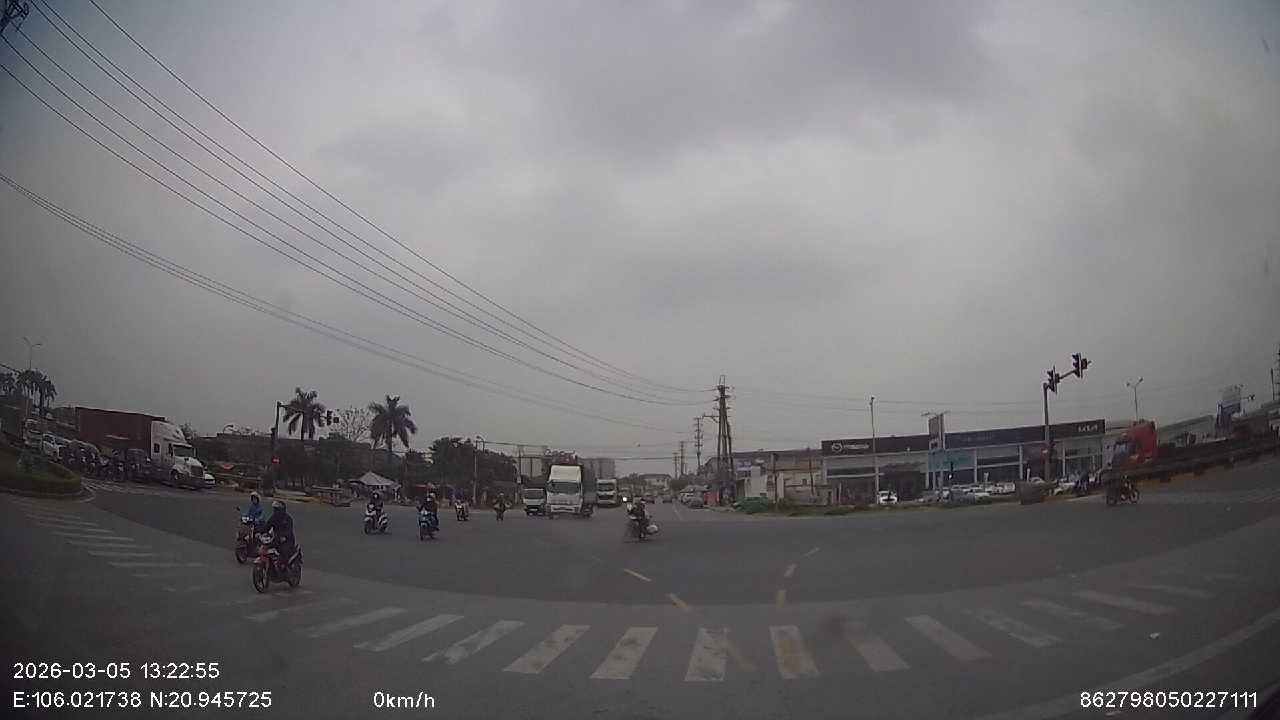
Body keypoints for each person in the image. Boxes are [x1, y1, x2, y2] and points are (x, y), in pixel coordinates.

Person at [260, 499, 295, 570]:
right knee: (266, 548)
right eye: (274, 509)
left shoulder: (288, 519)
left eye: (277, 509)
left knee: (283, 553)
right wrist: (260, 532)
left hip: (287, 540)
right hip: (275, 538)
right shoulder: (274, 517)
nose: (275, 511)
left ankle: (284, 568)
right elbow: (267, 526)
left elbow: (289, 530)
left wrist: (284, 536)